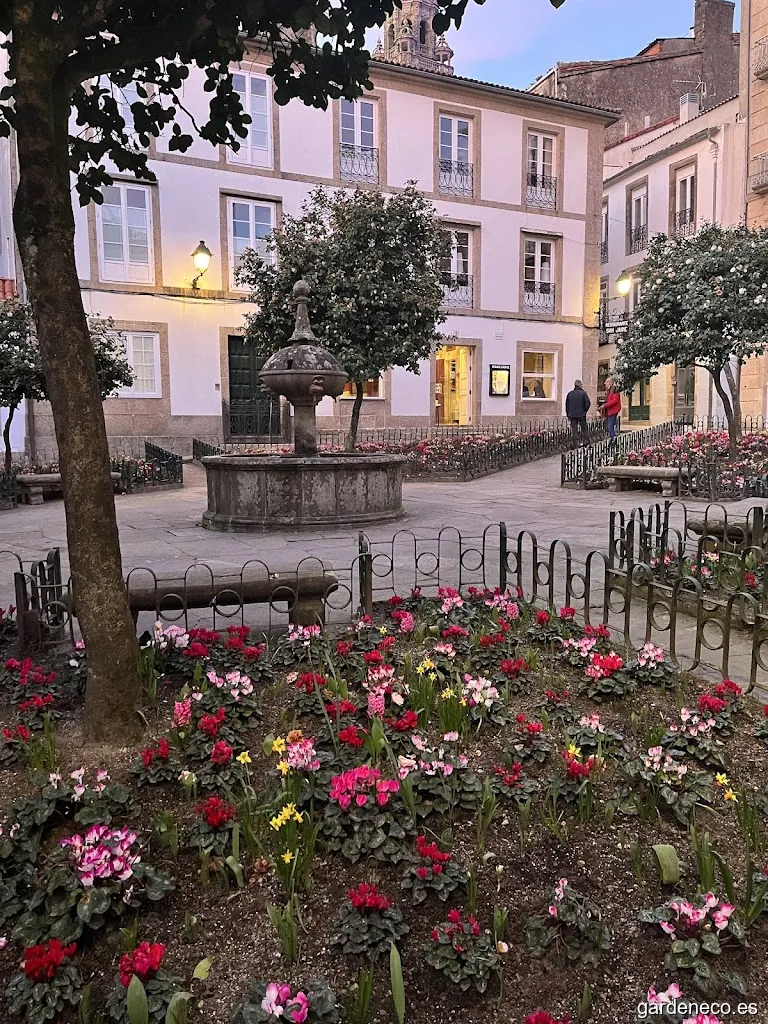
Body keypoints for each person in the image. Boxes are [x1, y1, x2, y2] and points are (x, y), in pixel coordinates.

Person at [565, 379, 591, 448]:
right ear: (580, 385)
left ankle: (575, 444)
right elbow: (587, 403)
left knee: (574, 430)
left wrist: (568, 414)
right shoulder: (583, 393)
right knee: (584, 429)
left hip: (572, 415)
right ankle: (587, 442)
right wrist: (584, 410)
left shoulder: (570, 394)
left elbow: (567, 405)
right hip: (581, 414)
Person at [601, 377, 622, 448]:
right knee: (608, 426)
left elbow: (614, 401)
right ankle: (612, 438)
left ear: (610, 382)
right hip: (609, 410)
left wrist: (605, 405)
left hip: (613, 411)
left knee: (610, 427)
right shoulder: (609, 390)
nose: (605, 383)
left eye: (606, 382)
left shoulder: (615, 390)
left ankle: (614, 440)